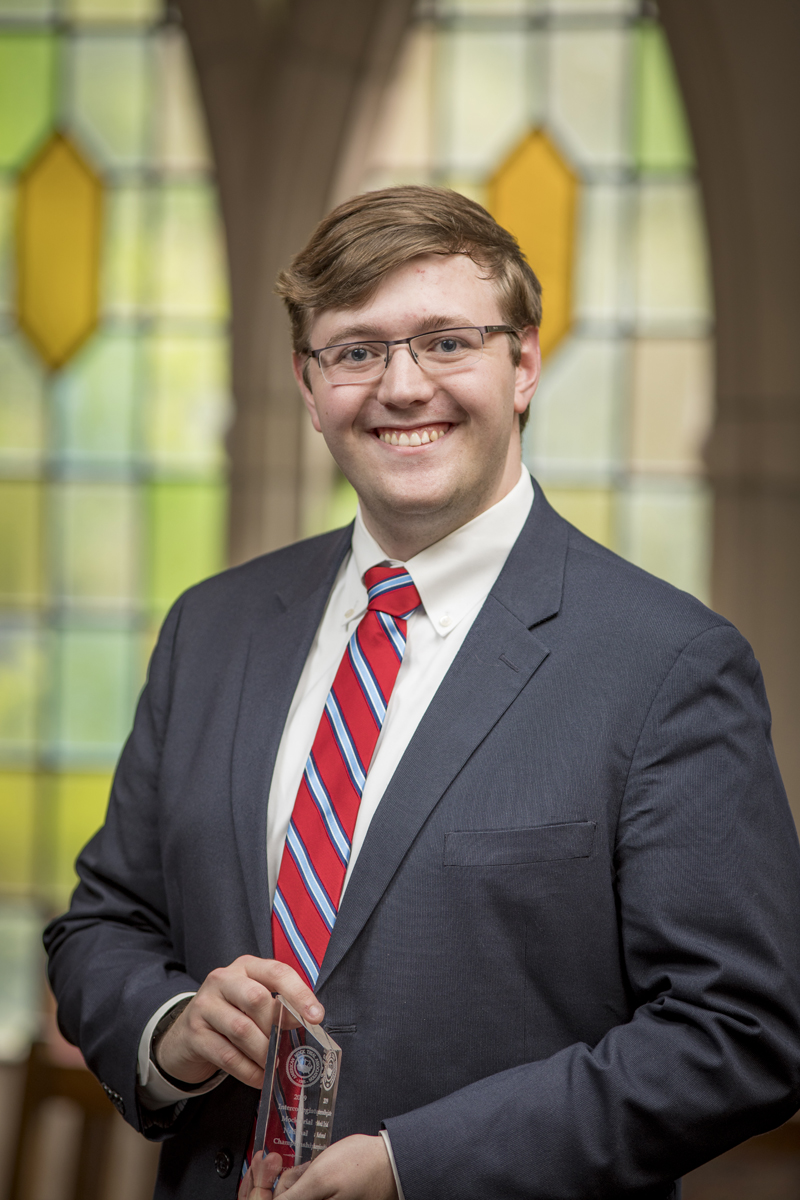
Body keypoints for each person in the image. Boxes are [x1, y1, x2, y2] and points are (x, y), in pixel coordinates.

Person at [45, 186, 800, 1200]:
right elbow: (104, 923)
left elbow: (740, 1033)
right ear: (309, 390)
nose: (402, 387)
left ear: (522, 364)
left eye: (446, 342)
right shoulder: (211, 629)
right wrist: (170, 1030)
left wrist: (415, 1167)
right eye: (355, 351)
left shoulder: (666, 664)